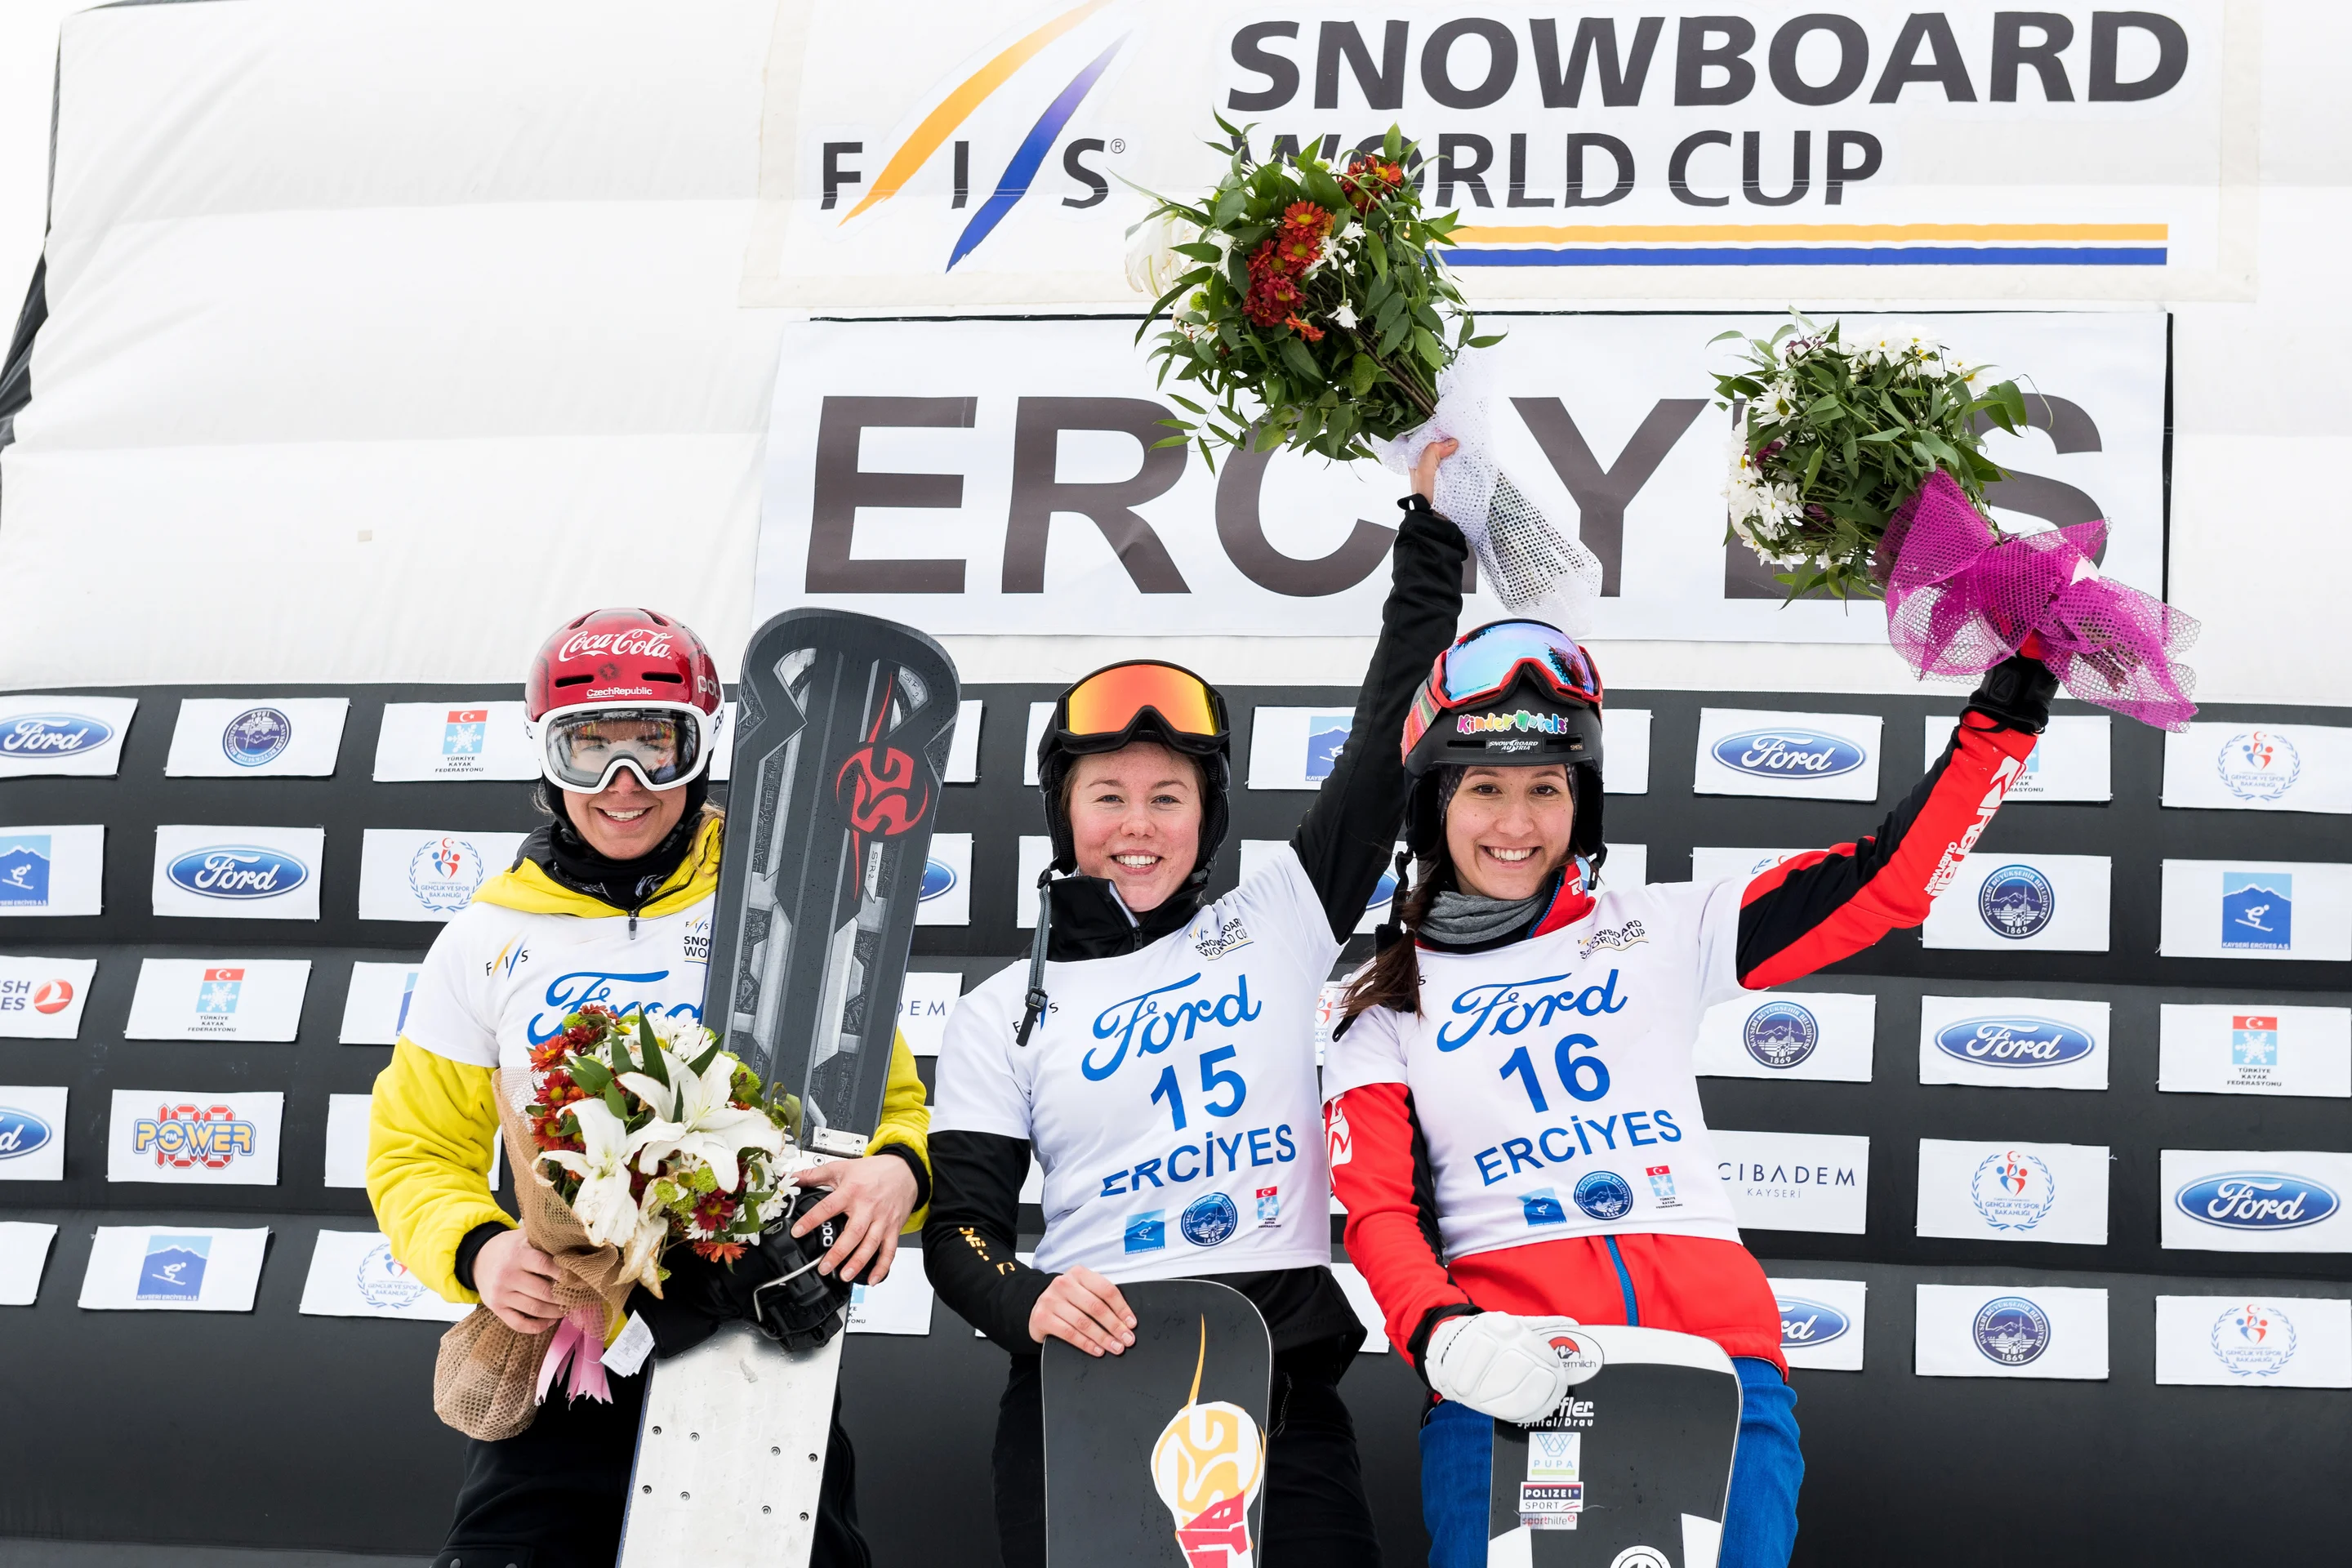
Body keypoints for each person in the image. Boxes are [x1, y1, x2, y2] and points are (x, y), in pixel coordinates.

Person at [1322, 618, 2058, 1568]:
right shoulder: (1380, 997)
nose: (1515, 824)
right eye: (1486, 790)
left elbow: (1888, 883)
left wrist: (2009, 707)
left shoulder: (1665, 926)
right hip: (1509, 1382)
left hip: (1719, 1369)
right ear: (1436, 807)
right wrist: (1442, 1335)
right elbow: (1377, 1209)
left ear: (1579, 805)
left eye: (1545, 789)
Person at [923, 443, 1470, 1566]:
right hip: (1084, 1388)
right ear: (1062, 813)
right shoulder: (1001, 1009)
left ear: (1207, 814)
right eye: (1108, 794)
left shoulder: (1279, 917)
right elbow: (961, 1227)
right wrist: (1025, 1299)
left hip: (1276, 1381)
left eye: (1168, 796)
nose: (1138, 823)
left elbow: (1384, 743)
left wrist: (1433, 536)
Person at [366, 607, 933, 1568]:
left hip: (754, 1330)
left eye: (654, 748)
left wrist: (897, 1175)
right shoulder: (485, 941)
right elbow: (414, 1150)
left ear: (703, 750)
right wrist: (481, 1249)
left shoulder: (781, 905)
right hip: (574, 1334)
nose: (623, 786)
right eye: (589, 750)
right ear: (547, 759)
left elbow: (889, 1106)